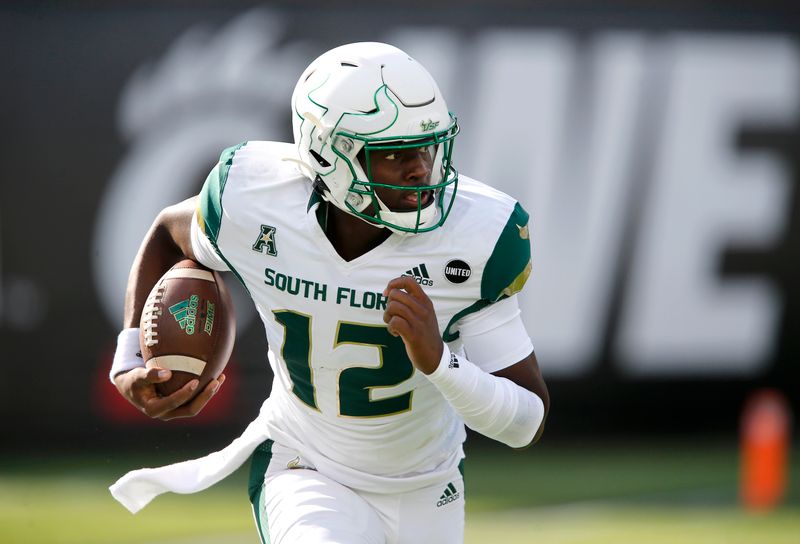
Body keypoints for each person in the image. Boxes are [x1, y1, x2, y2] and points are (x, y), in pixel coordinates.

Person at [109, 42, 549, 544]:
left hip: (425, 486)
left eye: (427, 146)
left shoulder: (475, 238)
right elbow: (170, 232)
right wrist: (129, 357)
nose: (421, 169)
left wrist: (439, 362)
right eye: (394, 153)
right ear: (329, 155)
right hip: (305, 464)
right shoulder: (256, 200)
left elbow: (526, 423)